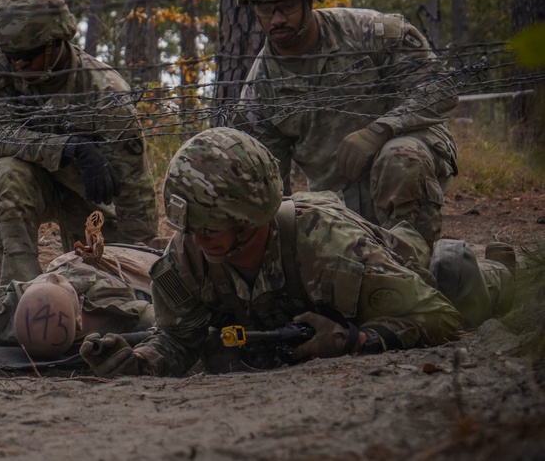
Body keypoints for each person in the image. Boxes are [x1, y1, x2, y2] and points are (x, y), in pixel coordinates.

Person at [80, 128, 511, 378]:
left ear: (250, 216)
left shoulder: (330, 249)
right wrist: (137, 361)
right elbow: (178, 338)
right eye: (189, 226)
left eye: (211, 225)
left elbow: (438, 317)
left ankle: (504, 268)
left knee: (457, 279)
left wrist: (353, 340)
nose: (197, 239)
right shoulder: (188, 257)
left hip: (397, 267)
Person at [234, 0, 458, 248]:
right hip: (338, 198)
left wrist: (378, 131)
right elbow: (270, 187)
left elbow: (440, 88)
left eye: (286, 7)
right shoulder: (260, 91)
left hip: (410, 156)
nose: (276, 20)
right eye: (264, 9)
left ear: (308, 0)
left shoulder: (371, 32)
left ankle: (415, 263)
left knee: (399, 158)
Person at [0, 0, 159, 284]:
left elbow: (133, 185)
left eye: (28, 55)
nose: (17, 64)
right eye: (10, 55)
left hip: (90, 193)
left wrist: (143, 256)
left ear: (55, 42)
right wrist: (69, 147)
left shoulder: (105, 91)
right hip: (32, 181)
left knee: (105, 279)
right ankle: (21, 295)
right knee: (4, 174)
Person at [0, 245, 159, 358]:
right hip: (131, 268)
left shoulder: (7, 318)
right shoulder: (129, 315)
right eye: (66, 290)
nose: (53, 278)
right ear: (79, 319)